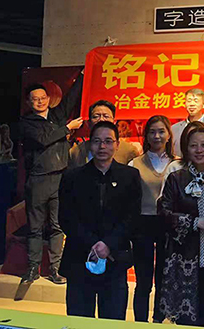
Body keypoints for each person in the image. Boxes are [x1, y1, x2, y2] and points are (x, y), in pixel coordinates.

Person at [58, 121, 141, 320]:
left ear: (117, 144)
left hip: (115, 260)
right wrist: (95, 245)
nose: (102, 146)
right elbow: (66, 218)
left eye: (108, 141)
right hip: (79, 259)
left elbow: (132, 217)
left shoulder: (130, 175)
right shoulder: (72, 177)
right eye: (97, 141)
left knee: (112, 320)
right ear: (90, 144)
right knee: (79, 320)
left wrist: (108, 244)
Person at [158, 125, 204, 327]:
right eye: (193, 145)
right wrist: (195, 222)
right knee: (186, 319)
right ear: (186, 149)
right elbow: (163, 213)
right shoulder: (176, 178)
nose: (199, 150)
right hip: (184, 258)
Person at [20, 73, 83, 284]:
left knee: (58, 225)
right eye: (35, 99)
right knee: (35, 227)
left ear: (49, 98)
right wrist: (67, 129)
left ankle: (56, 269)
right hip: (38, 179)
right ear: (29, 102)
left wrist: (83, 75)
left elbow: (71, 97)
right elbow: (43, 139)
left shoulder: (57, 115)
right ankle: (32, 268)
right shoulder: (26, 123)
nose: (40, 102)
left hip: (60, 178)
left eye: (43, 98)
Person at [127, 115, 175, 323]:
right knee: (143, 280)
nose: (157, 136)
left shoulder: (177, 164)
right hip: (142, 224)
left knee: (164, 278)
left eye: (161, 131)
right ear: (146, 135)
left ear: (169, 135)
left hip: (167, 224)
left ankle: (158, 320)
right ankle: (140, 322)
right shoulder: (134, 163)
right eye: (152, 132)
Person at [69, 100, 140, 168]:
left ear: (114, 122)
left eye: (106, 116)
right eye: (96, 116)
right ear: (88, 123)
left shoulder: (128, 151)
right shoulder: (76, 151)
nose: (101, 120)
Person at [171, 88, 204, 157]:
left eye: (196, 101)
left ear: (203, 104)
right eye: (189, 101)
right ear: (185, 104)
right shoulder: (174, 129)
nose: (192, 104)